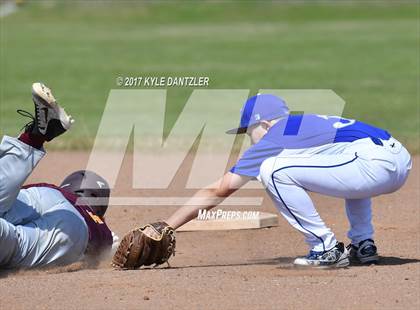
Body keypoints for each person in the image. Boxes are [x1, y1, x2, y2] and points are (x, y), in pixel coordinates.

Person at [160, 94, 412, 268]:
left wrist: (166, 226)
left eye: (249, 133)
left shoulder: (274, 136)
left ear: (265, 124)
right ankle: (362, 243)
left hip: (372, 165)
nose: (250, 140)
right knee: (347, 168)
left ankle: (325, 247)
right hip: (398, 160)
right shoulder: (304, 124)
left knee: (272, 169)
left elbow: (220, 189)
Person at [0, 82, 115, 269]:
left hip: (41, 195)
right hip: (75, 229)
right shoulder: (102, 228)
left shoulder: (51, 188)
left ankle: (34, 137)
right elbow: (118, 247)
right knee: (15, 244)